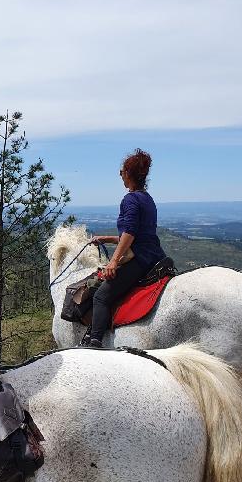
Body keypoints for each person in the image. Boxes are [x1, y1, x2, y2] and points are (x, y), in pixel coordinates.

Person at [84, 149, 167, 348]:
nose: (120, 175)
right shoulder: (147, 198)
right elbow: (138, 234)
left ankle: (94, 341)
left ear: (128, 174)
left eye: (121, 172)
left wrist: (113, 261)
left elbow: (130, 233)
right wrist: (109, 239)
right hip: (156, 256)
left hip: (139, 258)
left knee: (101, 296)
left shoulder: (130, 199)